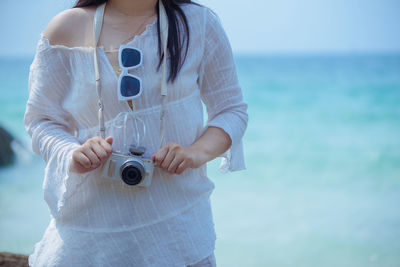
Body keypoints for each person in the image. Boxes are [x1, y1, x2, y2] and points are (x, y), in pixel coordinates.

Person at [24, 0, 248, 266]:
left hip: (179, 233)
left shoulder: (198, 23)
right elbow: (41, 120)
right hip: (88, 238)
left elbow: (231, 110)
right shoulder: (66, 27)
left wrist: (195, 153)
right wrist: (71, 153)